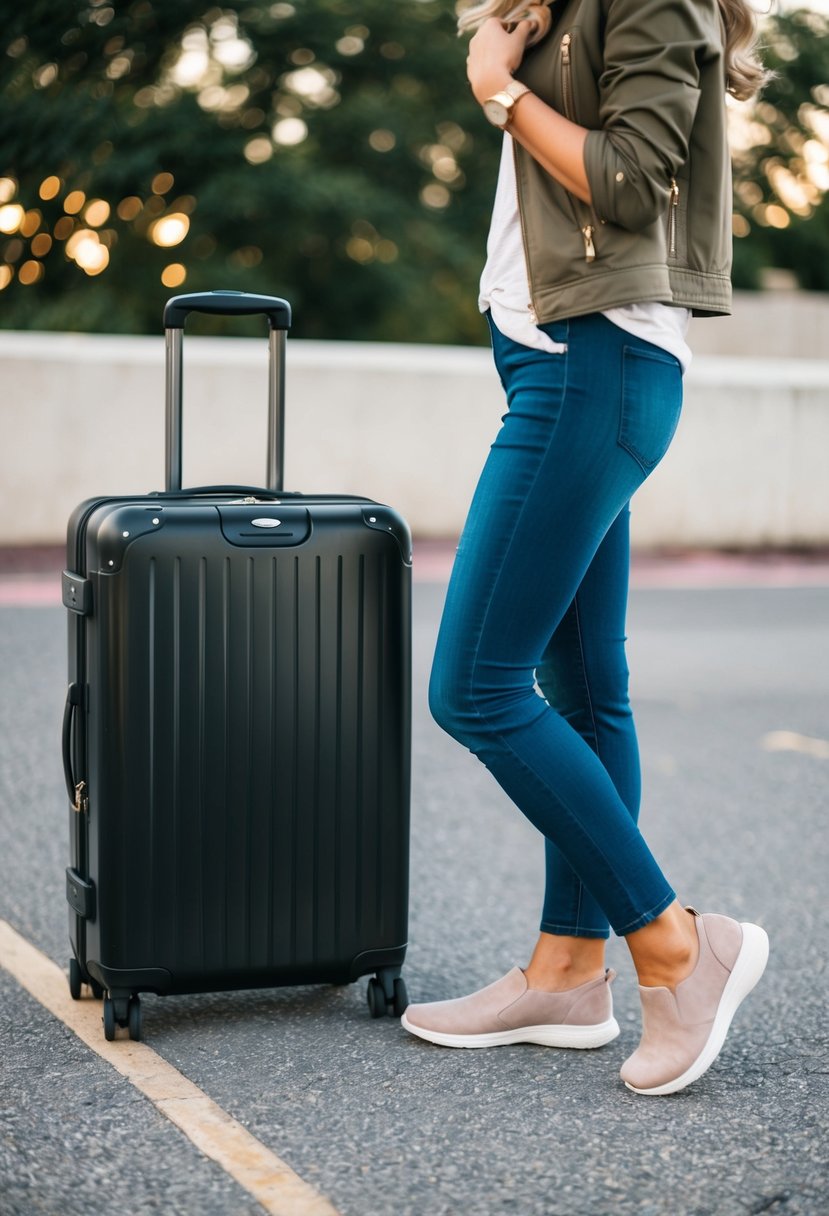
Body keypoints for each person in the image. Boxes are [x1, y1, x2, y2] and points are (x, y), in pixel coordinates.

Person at [400, 0, 771, 1095]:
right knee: (580, 683)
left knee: (473, 686)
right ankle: (566, 972)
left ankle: (674, 947)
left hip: (590, 363)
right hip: (556, 361)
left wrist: (497, 91)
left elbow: (624, 179)